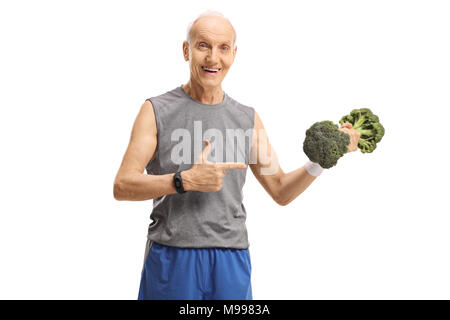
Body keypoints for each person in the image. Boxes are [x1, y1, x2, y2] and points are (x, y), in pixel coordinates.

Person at [113, 10, 360, 300]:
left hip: (231, 258)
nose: (213, 58)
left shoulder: (247, 119)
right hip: (172, 255)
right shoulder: (155, 110)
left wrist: (322, 159)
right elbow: (122, 186)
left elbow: (280, 190)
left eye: (223, 48)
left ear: (234, 54)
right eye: (203, 45)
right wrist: (183, 181)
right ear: (186, 50)